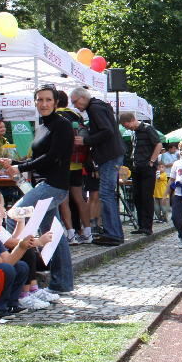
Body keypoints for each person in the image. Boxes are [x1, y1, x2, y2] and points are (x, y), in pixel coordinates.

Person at [0, 84, 75, 293]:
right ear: (35, 102)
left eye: (48, 100)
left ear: (56, 102)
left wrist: (20, 166)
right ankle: (62, 284)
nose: (43, 104)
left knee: (14, 215)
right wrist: (17, 164)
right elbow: (38, 157)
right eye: (40, 100)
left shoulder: (62, 125)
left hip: (53, 187)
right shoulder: (42, 126)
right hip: (45, 185)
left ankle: (15, 271)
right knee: (54, 234)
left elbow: (53, 157)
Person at [0, 188, 57, 309]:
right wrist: (39, 241)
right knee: (27, 251)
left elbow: (13, 239)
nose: (5, 210)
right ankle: (24, 294)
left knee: (28, 253)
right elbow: (13, 244)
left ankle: (33, 289)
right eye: (2, 206)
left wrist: (20, 221)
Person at [70, 87, 126, 246]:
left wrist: (86, 140)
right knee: (107, 194)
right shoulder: (99, 105)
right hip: (113, 154)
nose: (75, 106)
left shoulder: (94, 108)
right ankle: (116, 233)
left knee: (106, 194)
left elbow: (106, 131)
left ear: (83, 97)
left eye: (75, 102)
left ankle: (113, 234)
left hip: (109, 155)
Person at [56, 92, 93, 245]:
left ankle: (71, 234)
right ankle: (88, 233)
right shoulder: (77, 116)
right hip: (77, 162)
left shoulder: (56, 117)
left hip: (62, 164)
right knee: (79, 198)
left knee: (63, 200)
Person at [119, 112, 163, 235]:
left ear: (132, 120)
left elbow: (158, 144)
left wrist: (151, 161)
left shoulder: (148, 129)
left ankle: (148, 227)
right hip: (136, 167)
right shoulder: (135, 133)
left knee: (146, 196)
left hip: (147, 168)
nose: (127, 128)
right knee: (137, 197)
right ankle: (141, 225)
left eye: (126, 125)